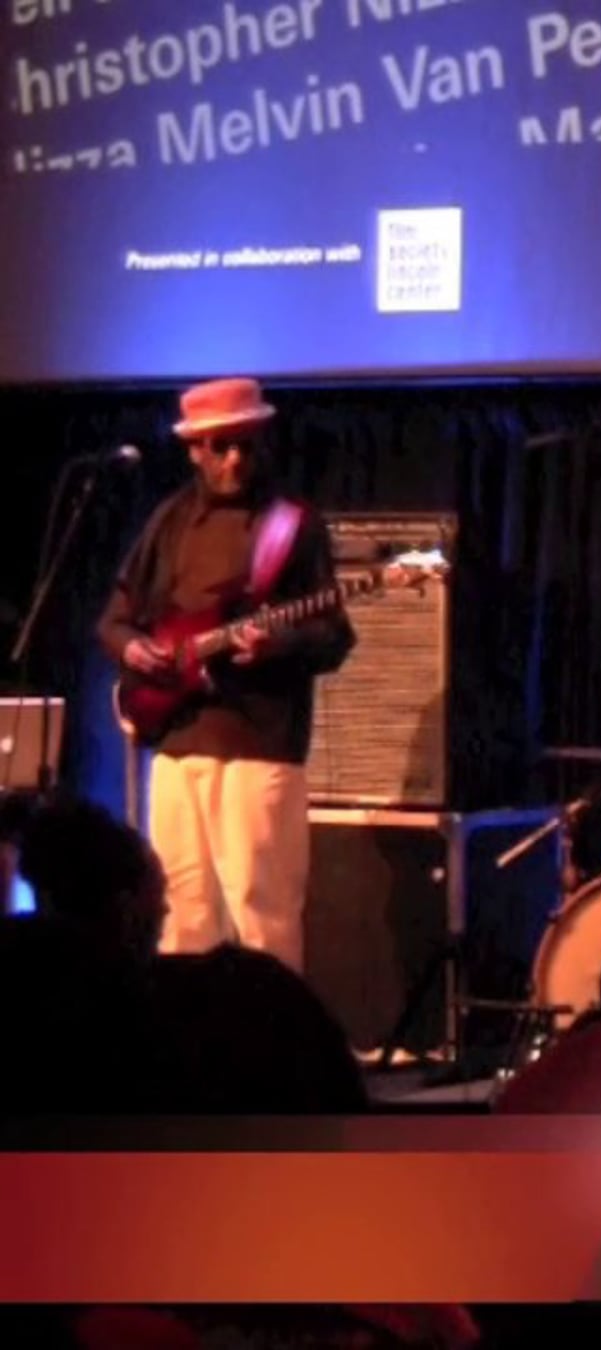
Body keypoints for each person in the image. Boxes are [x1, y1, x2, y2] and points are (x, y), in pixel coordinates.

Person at [97, 378, 355, 973]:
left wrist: (276, 643)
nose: (235, 458)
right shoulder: (170, 520)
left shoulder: (291, 525)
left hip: (258, 747)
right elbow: (114, 619)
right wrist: (133, 650)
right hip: (176, 744)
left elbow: (334, 634)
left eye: (246, 444)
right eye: (220, 446)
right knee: (180, 919)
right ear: (194, 449)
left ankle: (275, 1033)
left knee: (264, 920)